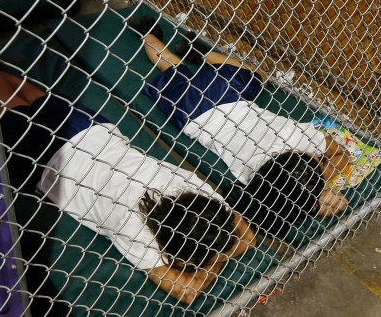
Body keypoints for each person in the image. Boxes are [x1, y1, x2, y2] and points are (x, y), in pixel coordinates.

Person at [0, 70, 255, 304]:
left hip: (92, 130)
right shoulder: (136, 231)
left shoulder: (194, 192)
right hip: (50, 159)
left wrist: (216, 254)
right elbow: (186, 291)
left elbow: (245, 237)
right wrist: (215, 260)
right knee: (8, 99)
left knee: (23, 93)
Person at [130, 16, 351, 239]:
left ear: (298, 152)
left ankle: (199, 52)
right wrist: (311, 196)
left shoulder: (296, 136)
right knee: (170, 64)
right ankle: (148, 34)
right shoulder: (252, 178)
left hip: (225, 94)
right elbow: (339, 156)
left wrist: (314, 187)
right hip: (193, 116)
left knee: (259, 75)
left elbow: (339, 155)